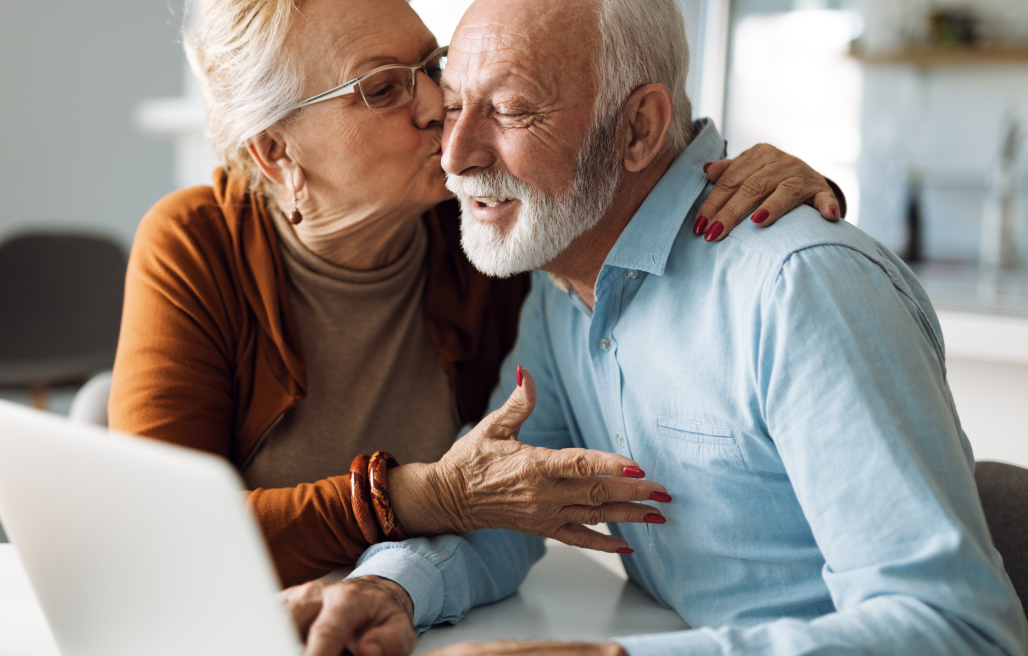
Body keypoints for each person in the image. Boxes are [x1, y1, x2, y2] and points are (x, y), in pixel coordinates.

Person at [289, 0, 1028, 654]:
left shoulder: (799, 287)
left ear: (637, 128)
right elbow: (510, 499)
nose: (456, 156)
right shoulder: (562, 279)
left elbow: (956, 630)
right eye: (453, 107)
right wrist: (395, 589)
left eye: (511, 110)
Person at [110, 0, 847, 589]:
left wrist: (753, 185)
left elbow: (619, 185)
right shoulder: (197, 243)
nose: (436, 106)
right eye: (384, 87)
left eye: (430, 65)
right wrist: (420, 497)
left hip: (428, 615)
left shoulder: (489, 228)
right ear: (276, 151)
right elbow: (157, 543)